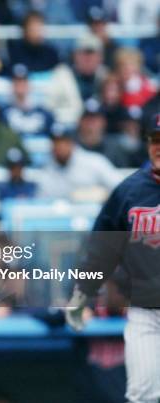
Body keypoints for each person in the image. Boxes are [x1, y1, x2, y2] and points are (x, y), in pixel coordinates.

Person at [65, 114, 160, 403]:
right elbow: (100, 252)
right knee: (142, 395)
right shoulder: (130, 190)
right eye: (155, 140)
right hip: (146, 311)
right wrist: (82, 295)